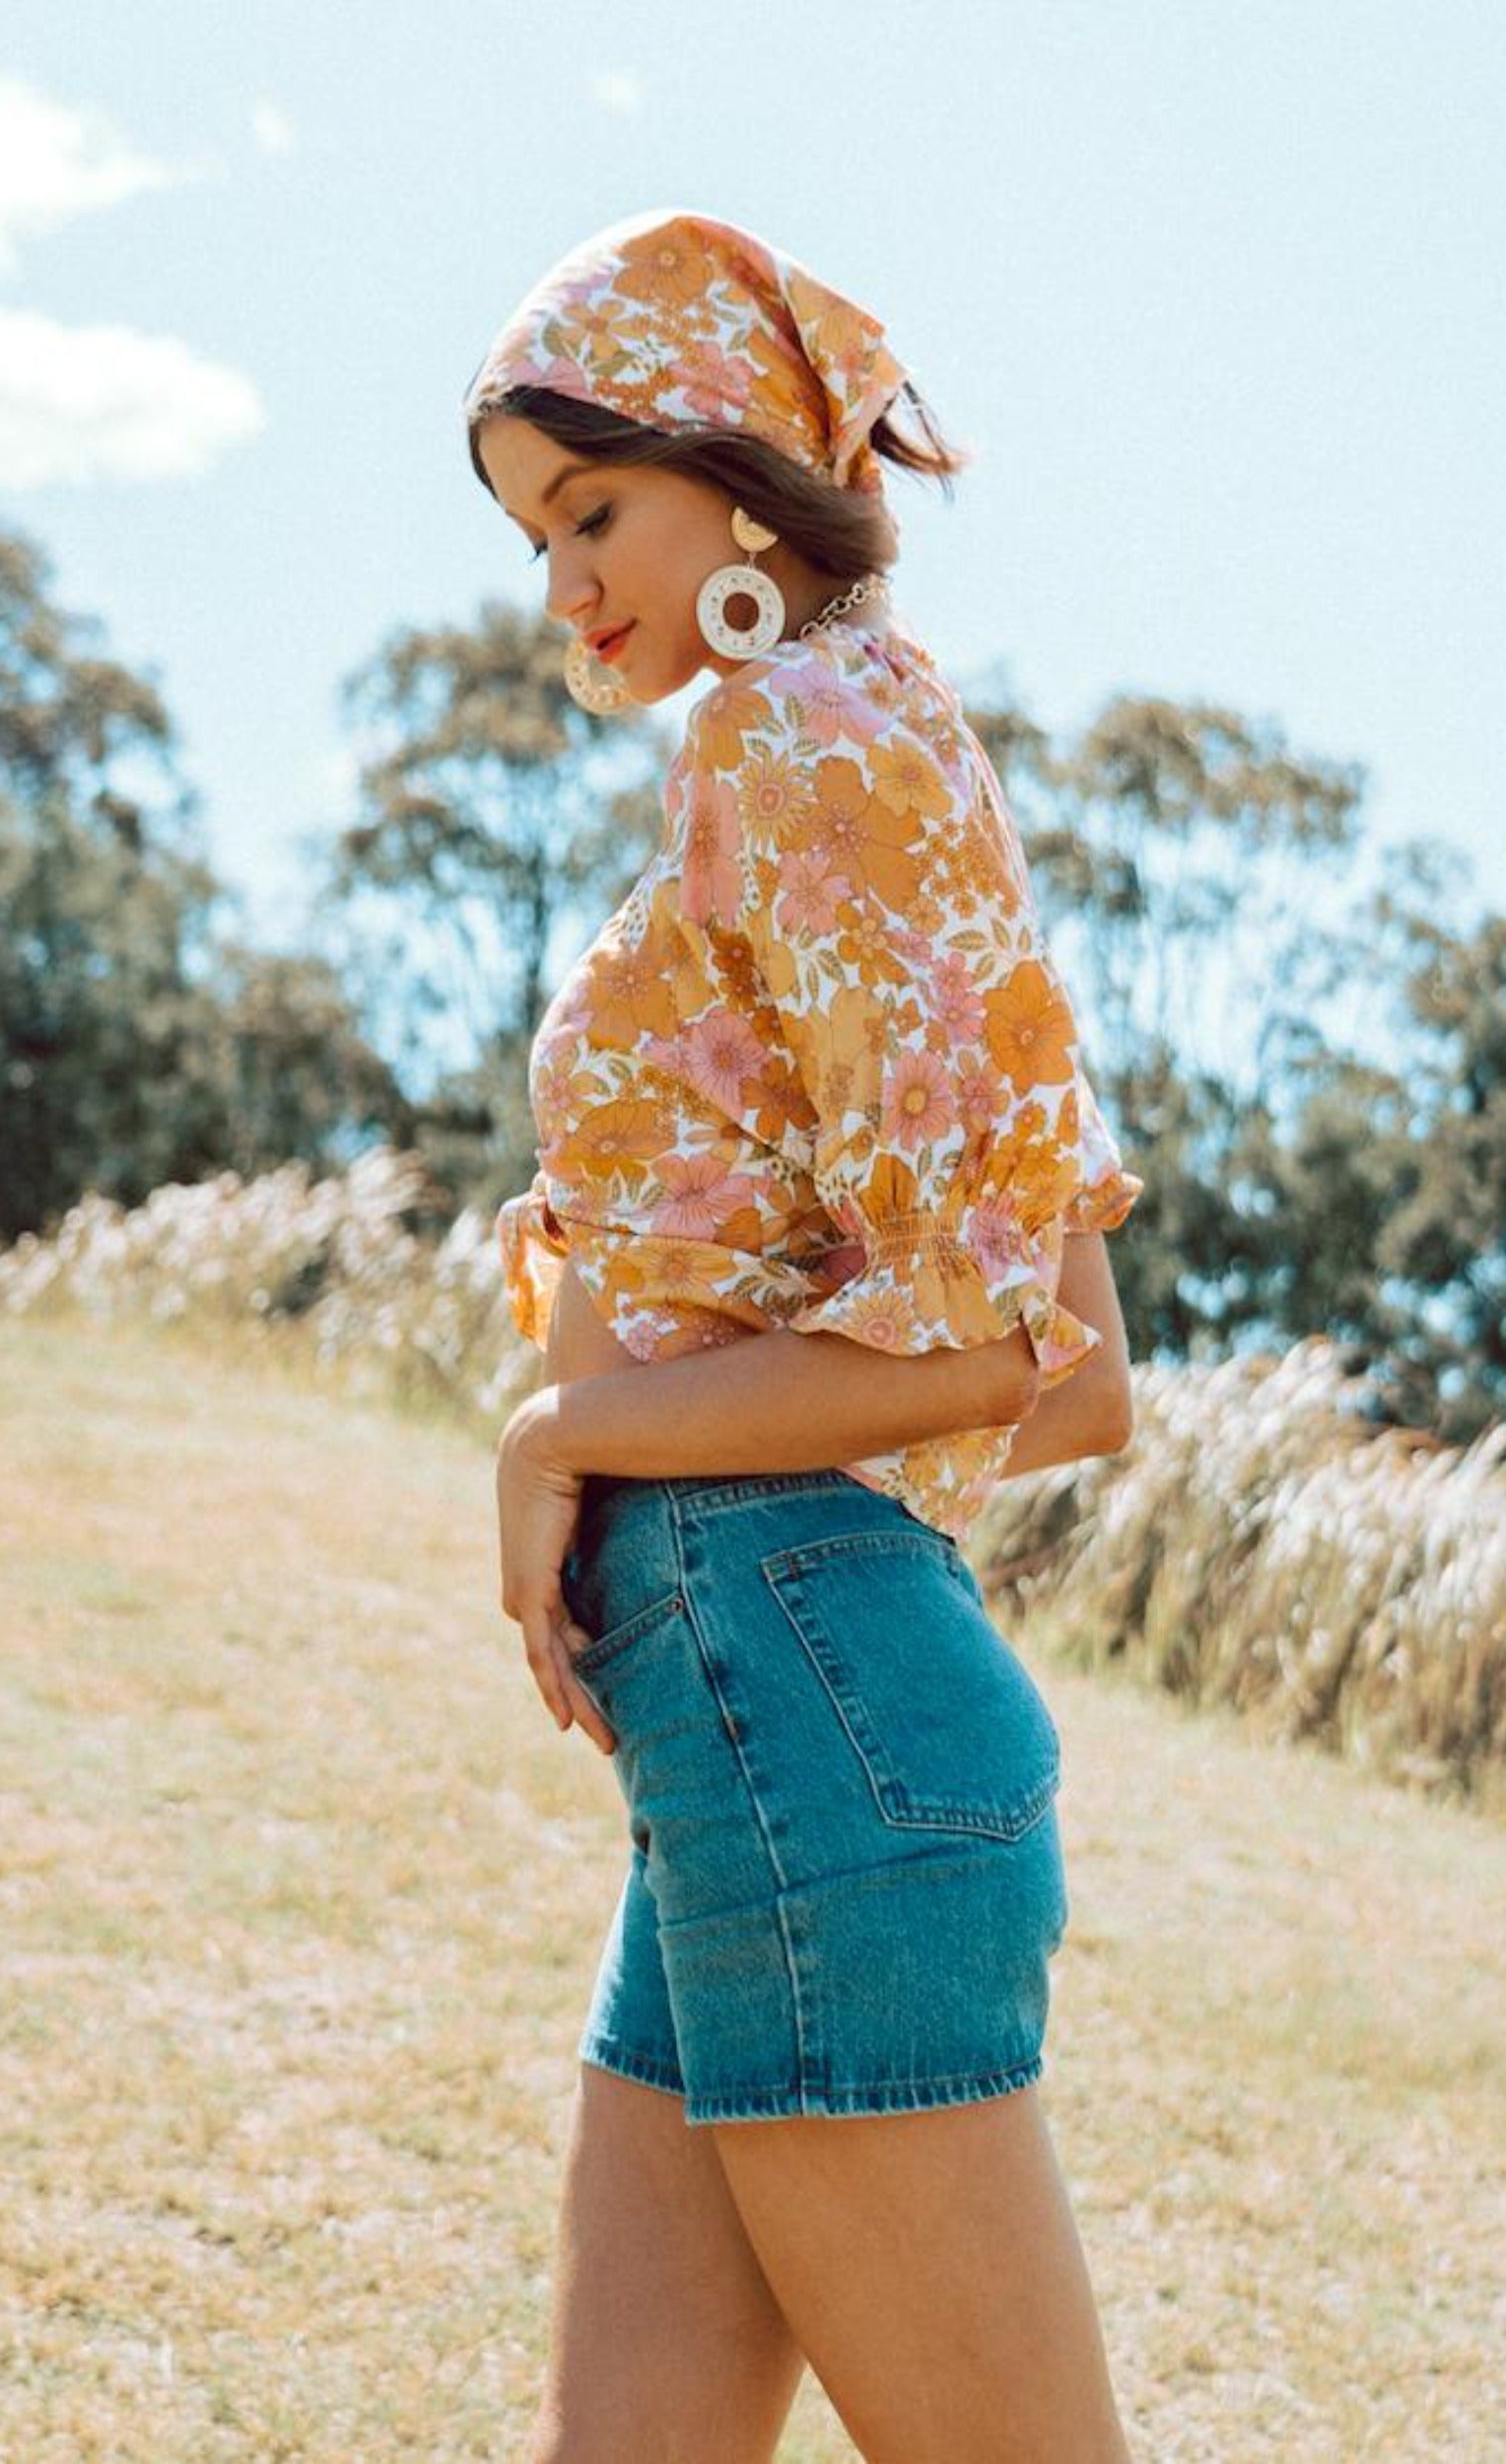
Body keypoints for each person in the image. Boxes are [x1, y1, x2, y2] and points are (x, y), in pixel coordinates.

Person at [464, 207, 1140, 2464]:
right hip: (764, 1730)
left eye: (591, 507)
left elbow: (984, 1345)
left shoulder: (801, 734)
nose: (561, 582)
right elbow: (1083, 1350)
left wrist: (578, 1423)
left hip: (802, 1698)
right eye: (529, 537)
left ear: (738, 465)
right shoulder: (871, 736)